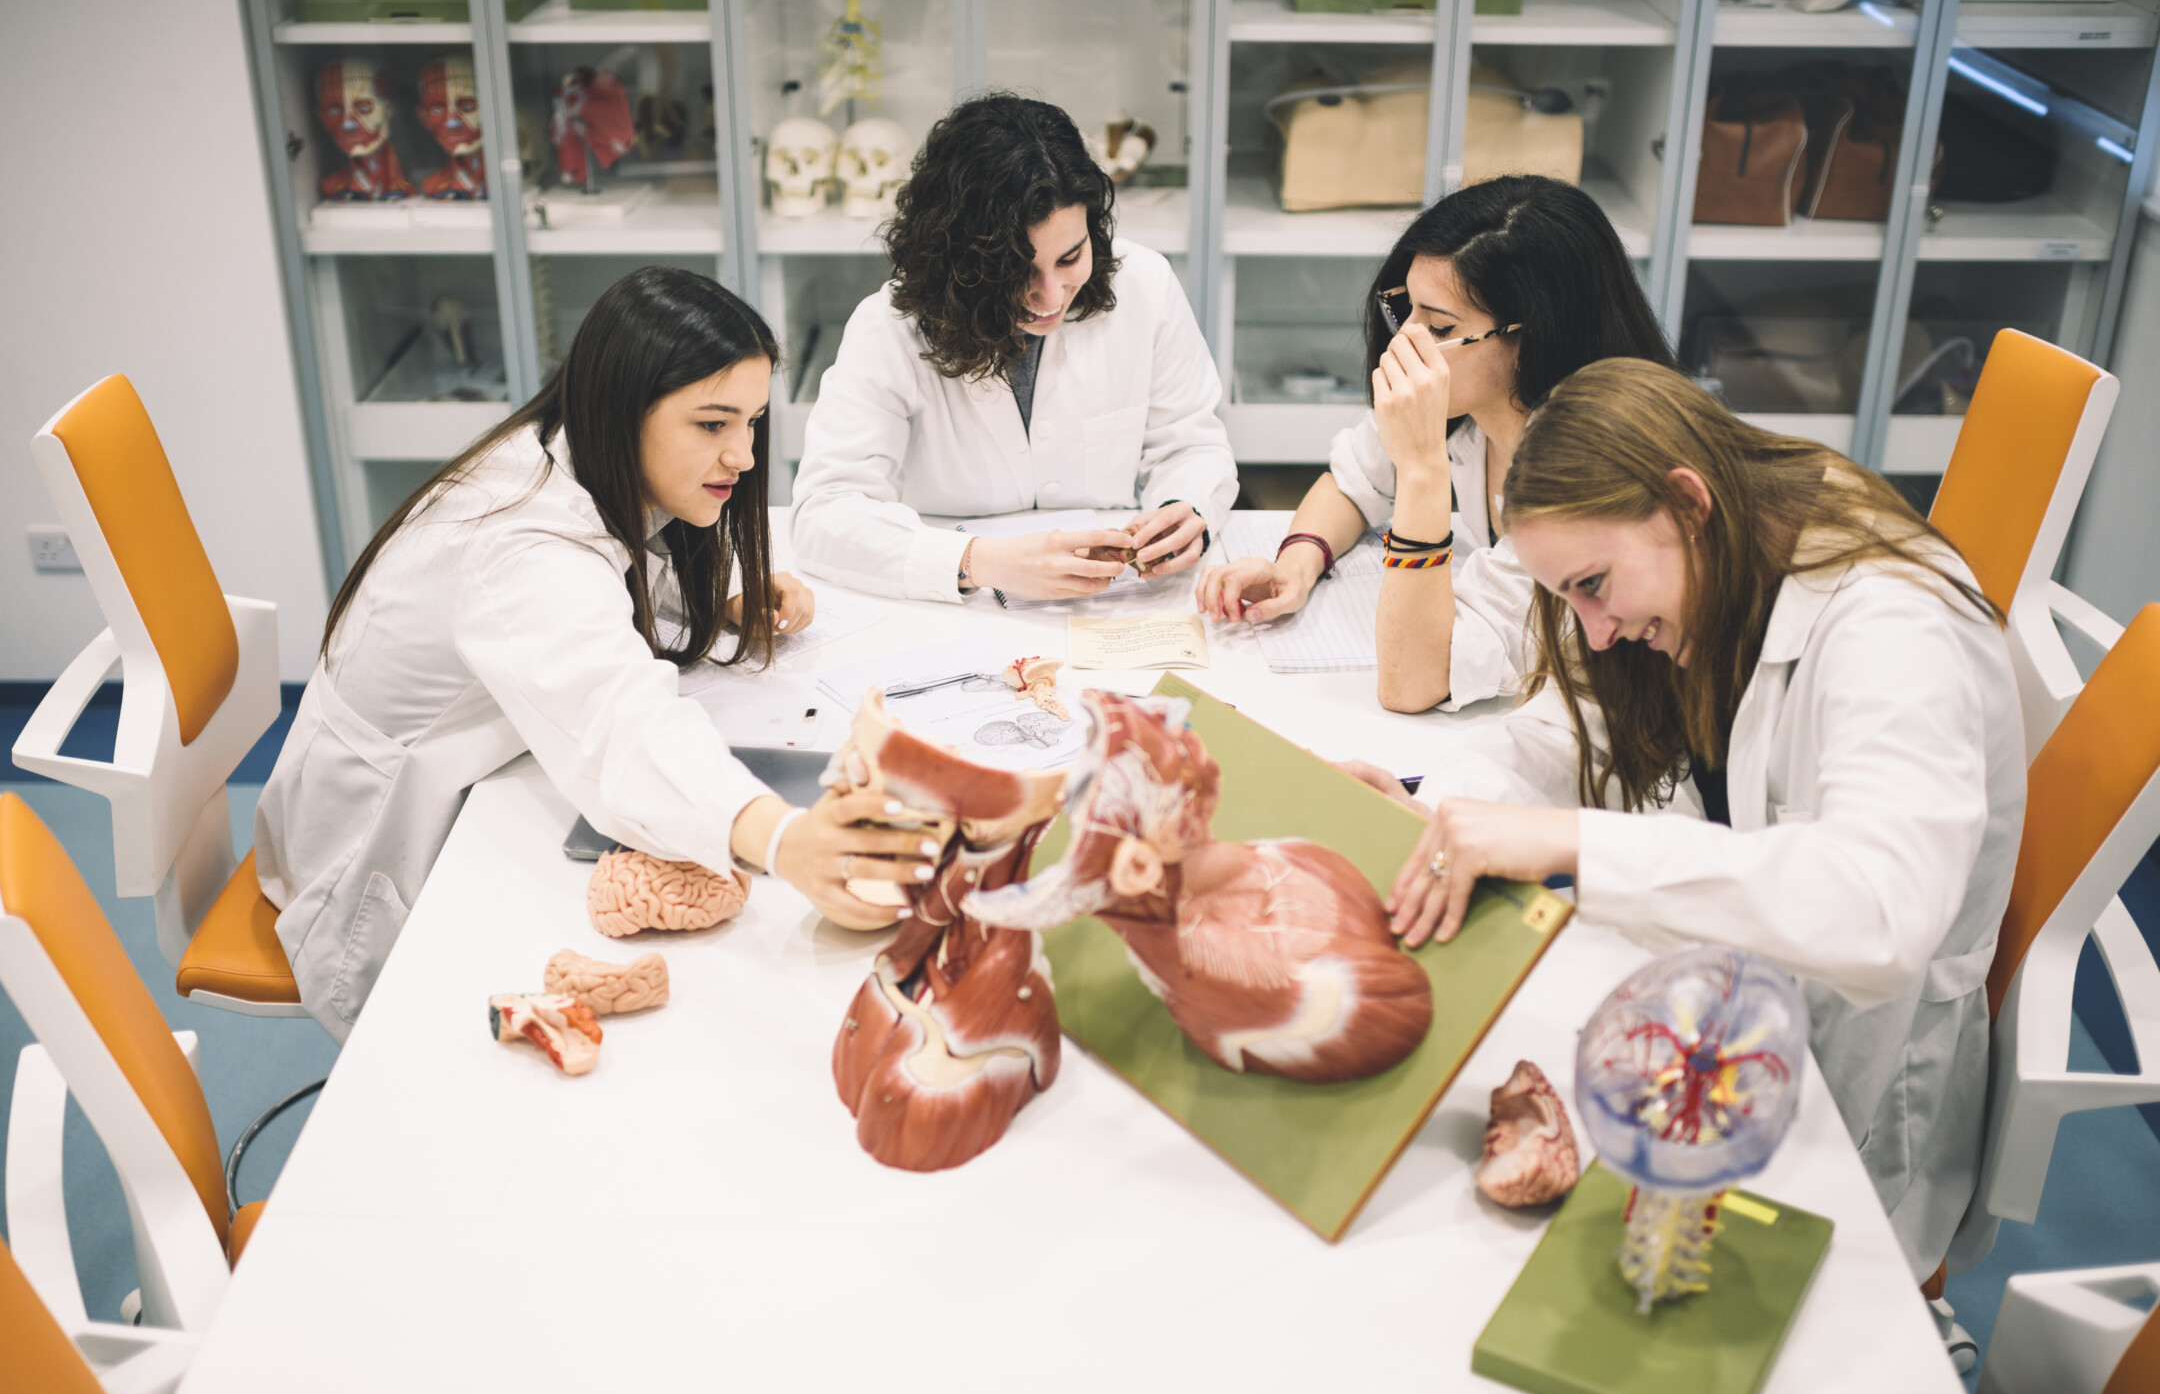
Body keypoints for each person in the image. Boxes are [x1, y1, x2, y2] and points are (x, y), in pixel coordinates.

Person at [1357, 358, 2024, 1283]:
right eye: (1567, 600)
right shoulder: (1708, 555)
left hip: (1849, 1063)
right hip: (1718, 997)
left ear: (1686, 500)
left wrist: (1574, 844)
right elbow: (1562, 736)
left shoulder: (1888, 624)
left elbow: (1883, 912)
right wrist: (1440, 816)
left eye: (1594, 585)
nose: (1591, 630)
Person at [256, 267, 939, 1041]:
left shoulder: (566, 454)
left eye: (751, 422)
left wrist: (709, 605)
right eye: (712, 425)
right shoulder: (519, 548)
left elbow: (610, 567)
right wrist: (783, 840)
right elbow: (622, 722)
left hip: (471, 776)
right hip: (378, 857)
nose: (744, 457)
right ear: (623, 408)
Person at [1194, 176, 1675, 714]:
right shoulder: (1475, 406)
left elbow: (1414, 682)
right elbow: (1356, 481)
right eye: (1408, 310)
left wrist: (1423, 470)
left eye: (1439, 325)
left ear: (1534, 335)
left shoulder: (1589, 475)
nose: (1406, 341)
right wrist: (1297, 566)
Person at [790, 94, 1237, 603]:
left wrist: (1186, 508)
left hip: (1113, 605)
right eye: (1017, 272)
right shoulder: (890, 326)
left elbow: (1191, 444)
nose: (1049, 297)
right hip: (955, 610)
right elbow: (824, 512)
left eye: (1070, 257)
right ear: (956, 262)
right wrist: (980, 563)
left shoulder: (1146, 284)